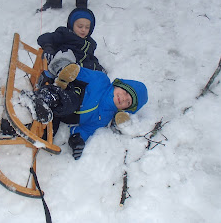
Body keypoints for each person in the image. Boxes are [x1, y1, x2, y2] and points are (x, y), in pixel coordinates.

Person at [20, 52, 149, 160]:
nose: (123, 98)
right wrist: (68, 70)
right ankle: (40, 100)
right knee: (70, 101)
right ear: (119, 85)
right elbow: (80, 73)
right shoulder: (101, 80)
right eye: (125, 92)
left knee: (45, 134)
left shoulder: (104, 117)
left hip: (61, 115)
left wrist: (78, 139)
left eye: (128, 102)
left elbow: (87, 128)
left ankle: (15, 126)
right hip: (64, 92)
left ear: (125, 109)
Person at [38, 8, 106, 73]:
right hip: (63, 67)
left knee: (100, 77)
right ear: (72, 25)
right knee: (67, 53)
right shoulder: (65, 34)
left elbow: (91, 58)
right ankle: (64, 76)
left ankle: (112, 84)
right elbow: (44, 38)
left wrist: (97, 67)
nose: (83, 30)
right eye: (80, 26)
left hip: (80, 73)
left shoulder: (90, 44)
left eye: (87, 27)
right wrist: (48, 47)